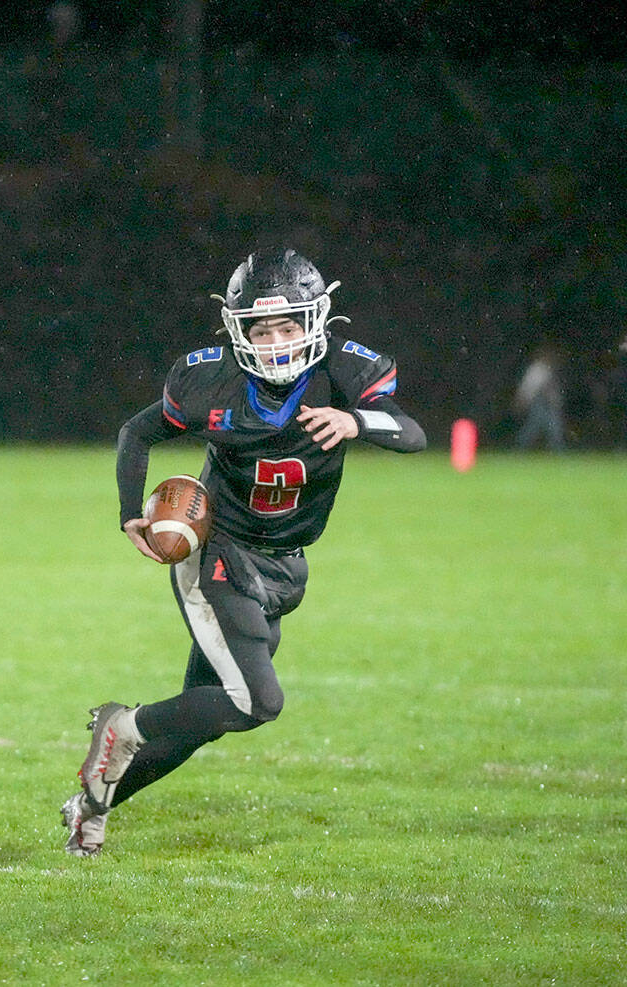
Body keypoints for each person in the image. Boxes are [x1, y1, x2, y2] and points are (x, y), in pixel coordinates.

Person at [62, 247, 426, 857]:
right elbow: (137, 433)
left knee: (202, 720)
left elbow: (411, 434)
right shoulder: (212, 380)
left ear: (316, 323)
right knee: (255, 701)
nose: (278, 341)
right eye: (262, 330)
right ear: (237, 330)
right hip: (220, 553)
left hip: (285, 560)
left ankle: (90, 808)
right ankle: (120, 727)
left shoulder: (345, 372)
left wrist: (356, 422)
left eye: (289, 327)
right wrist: (131, 511)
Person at [513, 344, 565, 451]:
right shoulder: (537, 368)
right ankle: (520, 447)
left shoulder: (547, 368)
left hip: (548, 402)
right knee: (536, 427)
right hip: (540, 401)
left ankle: (557, 449)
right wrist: (523, 399)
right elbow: (530, 386)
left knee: (543, 426)